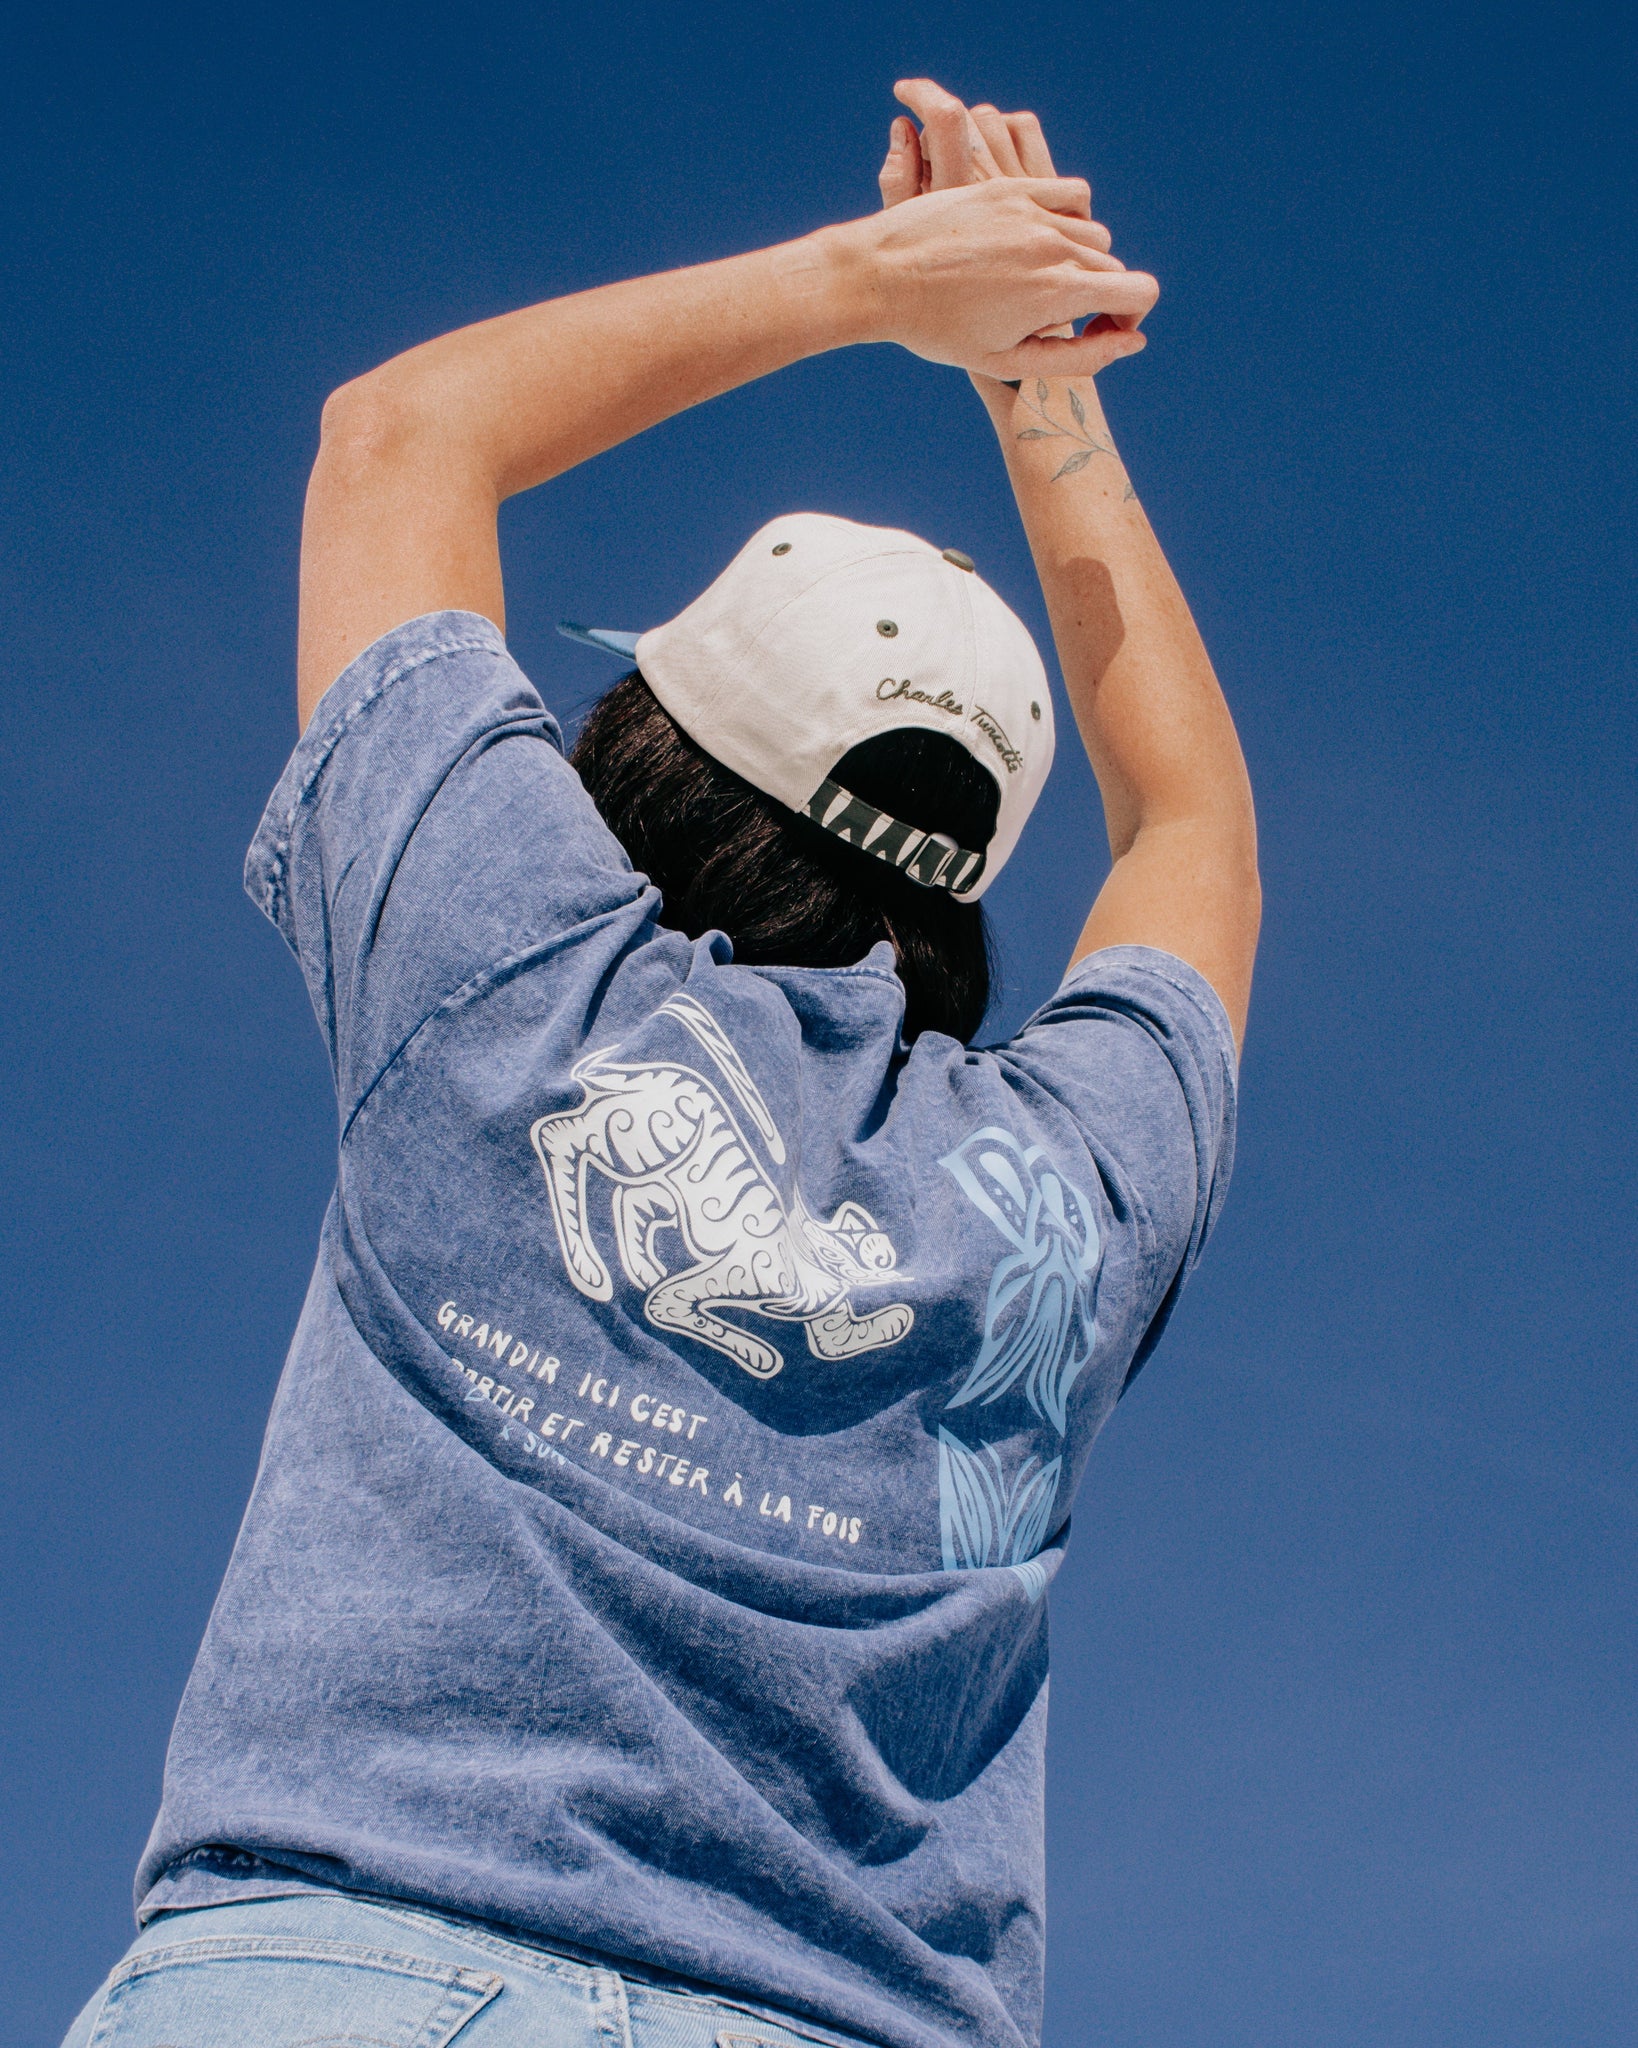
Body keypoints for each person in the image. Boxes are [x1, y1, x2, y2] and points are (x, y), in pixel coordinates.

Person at [63, 78, 1258, 2048]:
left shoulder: (506, 953)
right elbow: (1188, 824)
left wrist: (888, 280)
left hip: (337, 1973)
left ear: (642, 752)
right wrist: (1044, 391)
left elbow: (402, 434)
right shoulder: (1068, 1190)